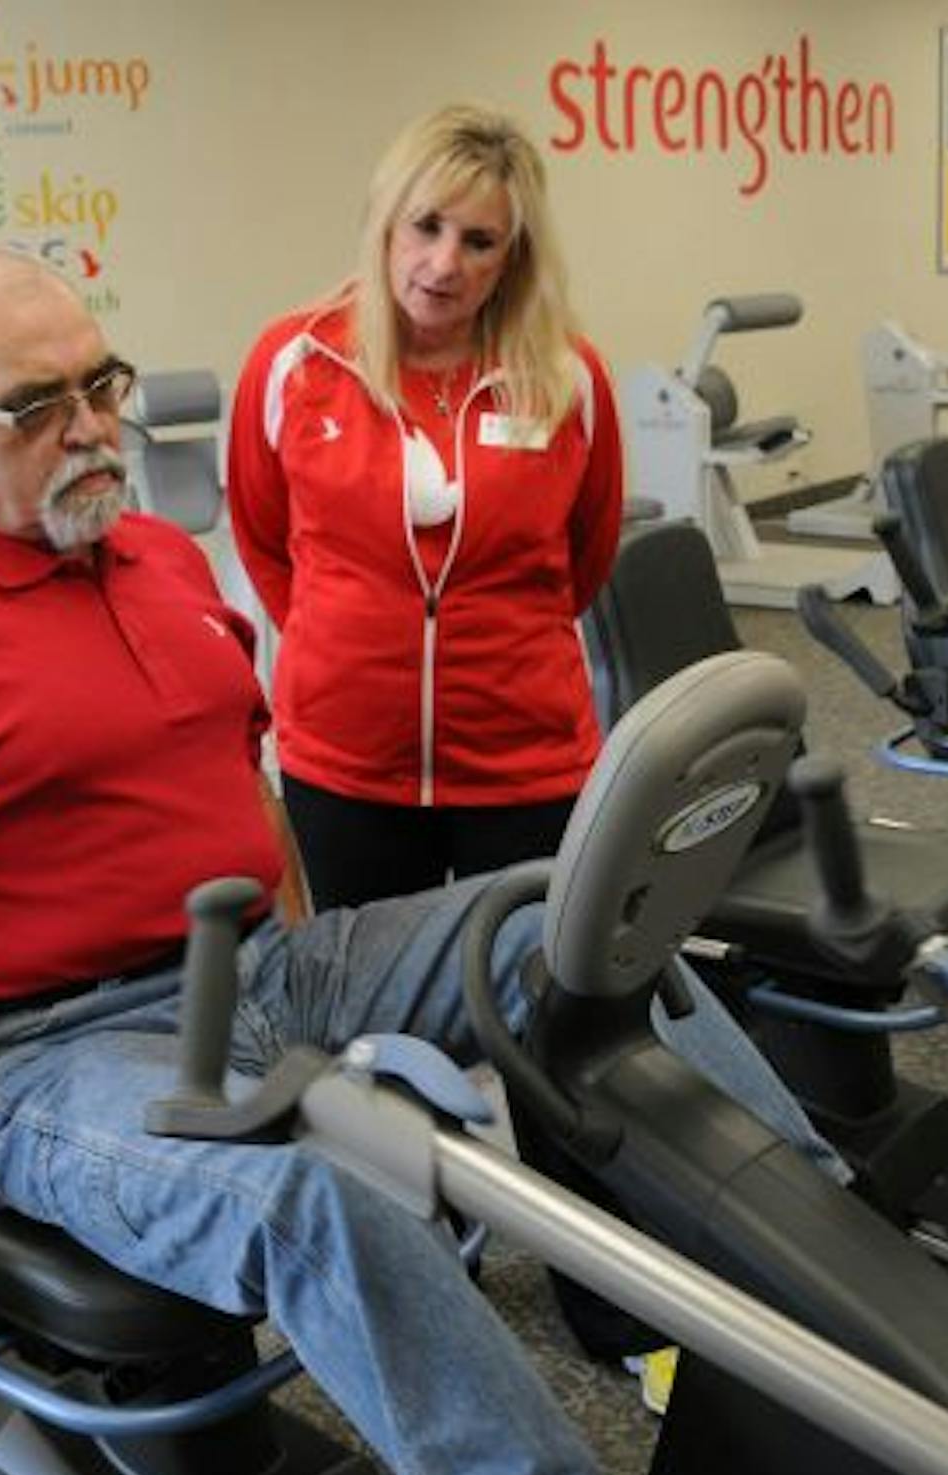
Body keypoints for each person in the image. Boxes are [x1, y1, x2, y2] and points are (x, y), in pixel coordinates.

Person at [0, 244, 911, 1475]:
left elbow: (242, 779)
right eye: (36, 404)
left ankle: (849, 1290)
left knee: (569, 923)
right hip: (53, 1052)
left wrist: (318, 989)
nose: (91, 426)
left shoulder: (155, 559)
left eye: (103, 383)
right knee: (307, 1190)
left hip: (262, 966)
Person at [227, 104, 622, 910]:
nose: (444, 264)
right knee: (370, 1001)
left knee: (515, 997)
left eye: (479, 242)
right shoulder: (294, 362)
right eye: (426, 227)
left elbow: (585, 553)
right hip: (345, 758)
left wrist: (488, 639)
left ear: (513, 257)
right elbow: (266, 539)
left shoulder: (566, 375)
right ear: (384, 224)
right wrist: (351, 638)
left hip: (524, 756)